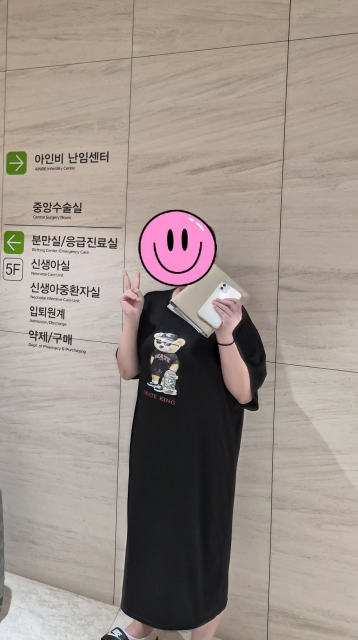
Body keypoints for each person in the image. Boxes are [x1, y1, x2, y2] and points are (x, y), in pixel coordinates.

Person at [103, 270, 266, 640]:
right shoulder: (153, 303)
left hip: (203, 453)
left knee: (201, 541)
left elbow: (244, 392)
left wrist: (226, 333)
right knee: (149, 536)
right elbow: (128, 369)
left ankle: (201, 637)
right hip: (153, 446)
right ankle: (142, 623)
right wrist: (131, 318)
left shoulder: (228, 309)